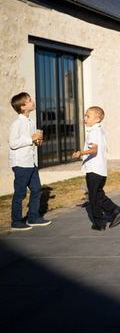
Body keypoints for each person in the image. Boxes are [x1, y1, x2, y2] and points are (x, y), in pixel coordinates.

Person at [72, 106, 120, 231]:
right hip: (100, 170)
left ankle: (100, 222)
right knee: (98, 194)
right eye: (85, 115)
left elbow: (94, 150)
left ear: (97, 119)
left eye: (88, 116)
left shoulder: (94, 132)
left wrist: (81, 153)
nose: (85, 118)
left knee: (93, 197)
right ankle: (115, 211)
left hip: (94, 169)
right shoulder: (100, 131)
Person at [8, 92, 51, 231]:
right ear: (22, 107)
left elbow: (32, 141)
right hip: (20, 163)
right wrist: (31, 139)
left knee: (36, 189)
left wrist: (38, 141)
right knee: (20, 193)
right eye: (29, 100)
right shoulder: (17, 123)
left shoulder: (31, 122)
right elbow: (13, 143)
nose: (33, 102)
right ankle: (16, 221)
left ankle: (33, 218)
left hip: (31, 162)